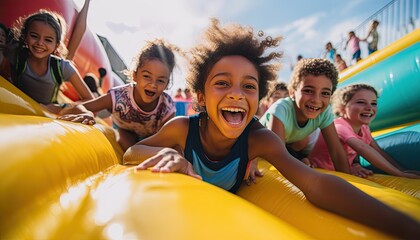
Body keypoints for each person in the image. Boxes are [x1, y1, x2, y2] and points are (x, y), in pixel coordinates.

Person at [123, 19, 420, 239]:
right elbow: (132, 151)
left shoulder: (259, 140)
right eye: (222, 83)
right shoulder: (183, 129)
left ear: (258, 97)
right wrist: (171, 156)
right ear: (201, 97)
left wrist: (403, 224)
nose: (237, 94)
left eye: (248, 86)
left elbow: (315, 184)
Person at [58, 39, 178, 151]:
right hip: (127, 131)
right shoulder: (120, 96)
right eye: (147, 76)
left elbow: (170, 137)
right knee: (127, 143)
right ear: (135, 75)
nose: (153, 85)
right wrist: (87, 113)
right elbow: (80, 107)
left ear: (167, 84)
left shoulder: (166, 107)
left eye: (161, 80)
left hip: (154, 137)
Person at [308, 83, 420, 179]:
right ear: (342, 108)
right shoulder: (338, 127)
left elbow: (378, 151)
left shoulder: (364, 128)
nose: (369, 107)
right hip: (319, 171)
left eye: (373, 103)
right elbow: (362, 148)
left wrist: (402, 170)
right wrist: (399, 174)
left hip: (341, 171)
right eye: (361, 102)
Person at [259, 58, 350, 174]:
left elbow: (336, 151)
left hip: (287, 147)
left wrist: (350, 181)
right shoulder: (281, 109)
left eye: (325, 93)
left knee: (303, 144)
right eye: (308, 91)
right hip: (263, 149)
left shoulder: (324, 112)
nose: (316, 100)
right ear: (292, 92)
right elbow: (278, 157)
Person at [4, 9, 94, 111]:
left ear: (57, 45)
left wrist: (61, 107)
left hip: (44, 113)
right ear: (25, 36)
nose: (40, 43)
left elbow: (91, 100)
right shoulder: (16, 53)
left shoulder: (62, 67)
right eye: (34, 36)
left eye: (48, 40)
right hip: (17, 104)